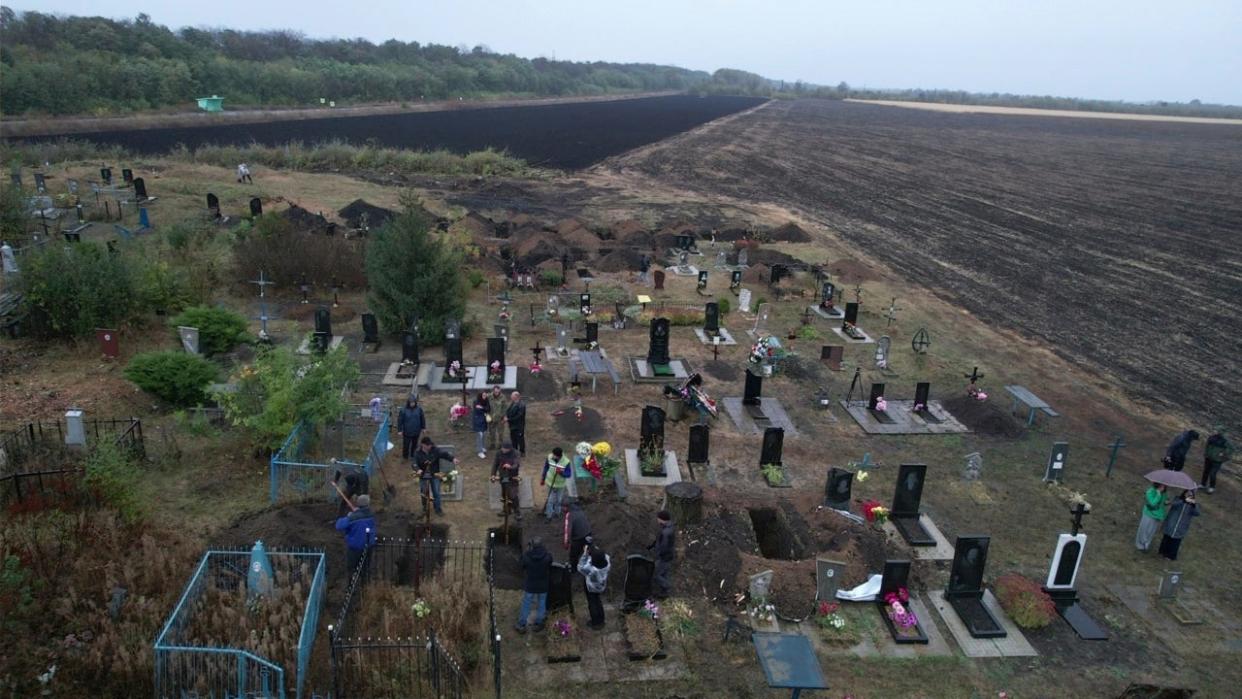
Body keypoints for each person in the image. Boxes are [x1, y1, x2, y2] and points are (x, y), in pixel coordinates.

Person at [413, 437, 460, 516]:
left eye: (430, 445)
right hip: (423, 475)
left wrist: (453, 459)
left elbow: (444, 454)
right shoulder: (418, 453)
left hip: (434, 474)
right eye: (428, 445)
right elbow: (414, 463)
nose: (429, 446)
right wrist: (417, 469)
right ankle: (424, 507)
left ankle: (438, 509)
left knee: (437, 493)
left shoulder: (435, 450)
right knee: (424, 492)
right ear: (423, 445)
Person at [335, 494, 377, 581]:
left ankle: (352, 588)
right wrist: (357, 512)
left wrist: (349, 516)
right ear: (368, 504)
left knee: (352, 569)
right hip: (368, 547)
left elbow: (338, 526)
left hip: (355, 548)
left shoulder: (353, 517)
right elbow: (363, 516)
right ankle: (365, 586)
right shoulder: (371, 515)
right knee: (365, 569)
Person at [516, 537, 552, 633]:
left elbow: (520, 565)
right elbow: (550, 562)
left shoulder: (527, 557)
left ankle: (522, 623)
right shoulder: (547, 557)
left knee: (527, 604)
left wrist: (526, 551)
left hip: (530, 584)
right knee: (541, 603)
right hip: (543, 585)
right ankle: (539, 622)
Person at [1159, 491, 1200, 561]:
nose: (1189, 495)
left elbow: (1197, 513)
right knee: (1166, 538)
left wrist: (1194, 505)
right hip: (1171, 523)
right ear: (1184, 493)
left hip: (1181, 527)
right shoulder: (1178, 499)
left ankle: (1170, 556)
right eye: (1187, 493)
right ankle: (1162, 551)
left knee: (1175, 542)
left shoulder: (1192, 505)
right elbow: (1173, 504)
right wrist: (1183, 501)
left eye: (1191, 494)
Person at [577, 545, 611, 630]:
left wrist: (585, 553)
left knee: (592, 603)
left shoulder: (592, 570)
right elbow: (601, 554)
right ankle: (601, 619)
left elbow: (580, 567)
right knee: (598, 601)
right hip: (600, 586)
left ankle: (596, 623)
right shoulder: (606, 560)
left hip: (591, 587)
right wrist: (593, 549)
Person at [491, 442, 522, 521]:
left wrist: (510, 467)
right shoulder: (499, 453)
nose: (503, 450)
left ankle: (517, 512)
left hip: (512, 477)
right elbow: (495, 464)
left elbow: (516, 464)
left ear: (509, 449)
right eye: (502, 448)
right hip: (503, 476)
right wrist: (493, 474)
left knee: (513, 495)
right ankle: (506, 510)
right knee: (504, 494)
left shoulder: (516, 453)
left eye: (505, 449)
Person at [649, 510, 676, 598]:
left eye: (658, 518)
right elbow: (659, 541)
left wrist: (658, 554)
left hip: (664, 557)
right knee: (664, 574)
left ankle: (667, 588)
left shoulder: (666, 532)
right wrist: (652, 545)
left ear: (661, 519)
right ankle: (664, 593)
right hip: (668, 556)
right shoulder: (668, 528)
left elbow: (663, 546)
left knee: (656, 575)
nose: (657, 520)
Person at [1135, 483, 1167, 552]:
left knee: (1151, 531)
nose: (1163, 487)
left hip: (1157, 515)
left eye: (1164, 485)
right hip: (1149, 513)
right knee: (1144, 529)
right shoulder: (1150, 491)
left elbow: (1162, 504)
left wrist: (1166, 502)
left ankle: (1146, 545)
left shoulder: (1164, 493)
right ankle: (1140, 545)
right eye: (1162, 485)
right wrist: (1158, 494)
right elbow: (1152, 503)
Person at [542, 447, 570, 520]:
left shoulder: (566, 462)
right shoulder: (549, 457)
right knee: (550, 500)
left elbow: (568, 474)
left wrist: (561, 473)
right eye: (553, 454)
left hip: (560, 485)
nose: (552, 456)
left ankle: (557, 513)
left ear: (559, 456)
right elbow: (546, 467)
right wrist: (543, 478)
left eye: (554, 455)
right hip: (550, 482)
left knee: (558, 499)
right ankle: (549, 515)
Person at [566, 501, 593, 567]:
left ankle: (573, 569)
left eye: (562, 507)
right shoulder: (580, 510)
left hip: (578, 537)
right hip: (588, 533)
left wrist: (567, 541)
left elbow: (568, 530)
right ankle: (588, 565)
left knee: (574, 554)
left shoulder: (570, 515)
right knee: (588, 551)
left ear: (566, 507)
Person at [504, 391, 527, 456]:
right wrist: (506, 416)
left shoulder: (521, 405)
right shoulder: (512, 403)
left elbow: (519, 416)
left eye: (512, 396)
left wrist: (509, 419)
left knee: (520, 439)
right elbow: (508, 411)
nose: (511, 397)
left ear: (516, 397)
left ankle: (522, 452)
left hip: (519, 425)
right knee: (513, 439)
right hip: (512, 425)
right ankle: (514, 451)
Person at [488, 385, 510, 451]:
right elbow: (485, 405)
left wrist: (505, 416)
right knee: (492, 432)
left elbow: (505, 408)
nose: (496, 392)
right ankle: (492, 444)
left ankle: (500, 445)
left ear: (500, 390)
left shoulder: (503, 397)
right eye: (495, 391)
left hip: (500, 418)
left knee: (500, 433)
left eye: (498, 391)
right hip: (491, 418)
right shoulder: (489, 396)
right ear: (493, 391)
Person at [472, 391, 491, 459]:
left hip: (484, 420)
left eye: (485, 395)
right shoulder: (476, 401)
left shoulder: (486, 401)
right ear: (480, 395)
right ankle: (480, 452)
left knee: (484, 434)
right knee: (479, 435)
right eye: (483, 395)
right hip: (477, 420)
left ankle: (482, 447)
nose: (484, 397)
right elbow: (478, 410)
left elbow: (488, 409)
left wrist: (482, 408)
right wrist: (484, 409)